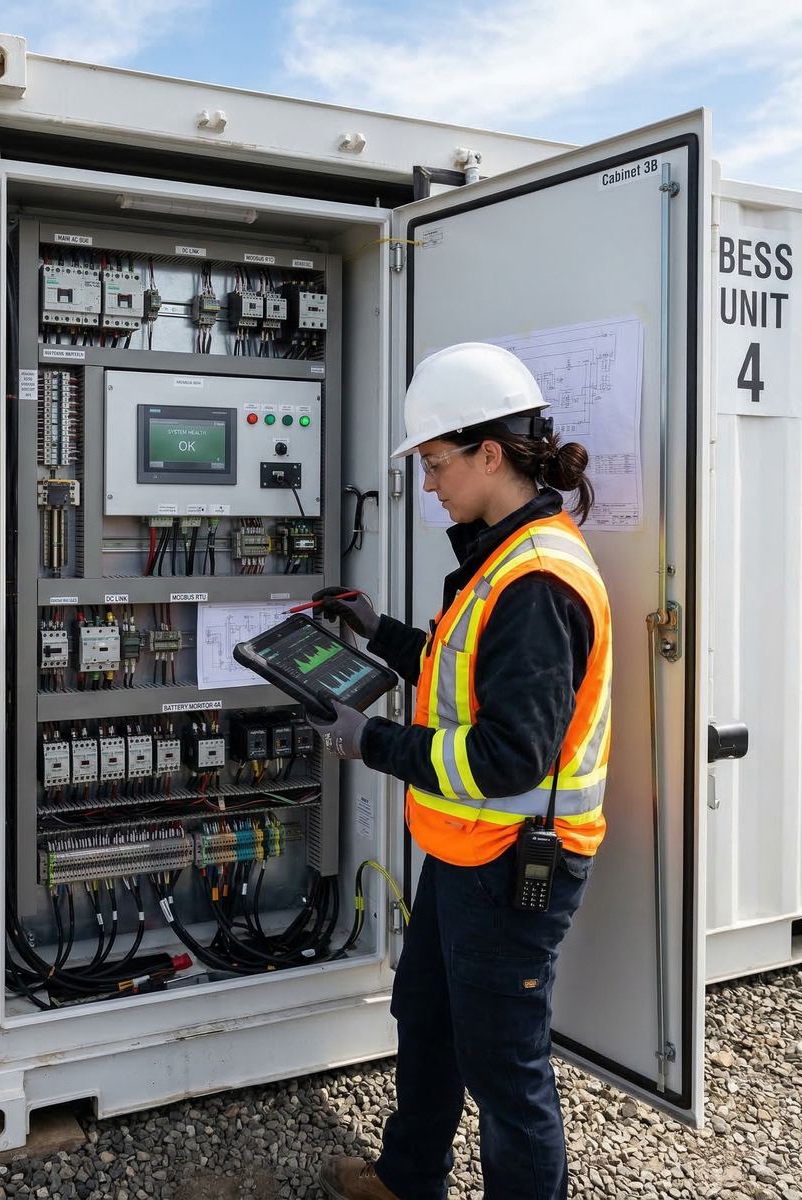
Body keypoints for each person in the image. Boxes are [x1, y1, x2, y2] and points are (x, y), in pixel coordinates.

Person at [311, 342, 612, 1200]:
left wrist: (370, 742)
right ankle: (409, 1179)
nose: (430, 482)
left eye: (438, 463)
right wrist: (379, 631)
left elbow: (507, 753)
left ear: (489, 454)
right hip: (465, 847)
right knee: (428, 1018)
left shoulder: (538, 580)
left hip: (516, 860)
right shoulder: (501, 556)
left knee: (506, 1073)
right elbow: (460, 673)